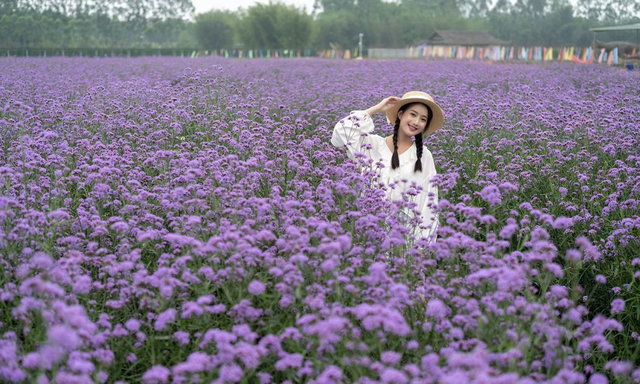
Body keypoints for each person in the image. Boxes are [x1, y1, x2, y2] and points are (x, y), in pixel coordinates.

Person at [331, 91, 444, 243]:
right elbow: (341, 133)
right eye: (413, 114)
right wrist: (376, 109)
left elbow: (428, 204)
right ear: (400, 114)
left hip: (405, 239)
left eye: (423, 119)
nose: (416, 122)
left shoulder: (424, 156)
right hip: (369, 234)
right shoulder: (372, 145)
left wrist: (423, 246)